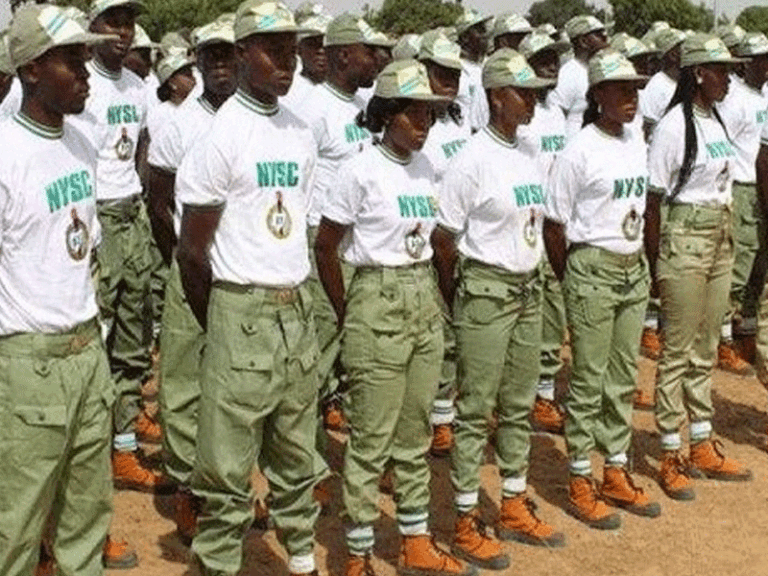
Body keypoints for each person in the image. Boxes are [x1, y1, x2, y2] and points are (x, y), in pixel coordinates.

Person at [176, 1, 322, 574]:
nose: (287, 62)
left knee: (297, 454)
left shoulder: (299, 131)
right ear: (241, 54)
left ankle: (303, 559)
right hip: (241, 308)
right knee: (227, 471)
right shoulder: (221, 137)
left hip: (295, 309)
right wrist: (226, 318)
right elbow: (192, 252)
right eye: (272, 50)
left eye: (291, 50)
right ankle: (217, 565)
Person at [315, 59, 474, 576]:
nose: (423, 124)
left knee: (415, 433)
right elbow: (326, 246)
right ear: (386, 115)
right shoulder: (359, 170)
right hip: (375, 297)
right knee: (370, 438)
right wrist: (351, 311)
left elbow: (432, 239)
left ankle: (415, 539)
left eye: (429, 114)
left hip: (421, 296)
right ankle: (358, 552)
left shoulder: (427, 169)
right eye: (413, 114)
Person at [431, 49, 563, 569]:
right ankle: (465, 518)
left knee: (518, 403)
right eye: (521, 93)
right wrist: (460, 298)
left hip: (528, 289)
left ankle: (512, 500)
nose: (531, 101)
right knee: (474, 408)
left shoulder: (528, 150)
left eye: (533, 93)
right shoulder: (471, 160)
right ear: (494, 97)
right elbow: (444, 240)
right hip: (486, 291)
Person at [0, 5, 115, 575]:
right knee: (16, 526)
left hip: (86, 352)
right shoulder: (5, 154)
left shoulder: (82, 144)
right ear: (31, 70)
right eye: (72, 59)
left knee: (86, 518)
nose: (86, 71)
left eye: (85, 57)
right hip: (27, 364)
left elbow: (81, 249)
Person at [544, 48, 661, 530]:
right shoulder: (579, 150)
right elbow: (554, 225)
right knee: (588, 379)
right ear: (597, 95)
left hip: (632, 267)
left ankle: (614, 468)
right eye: (621, 90)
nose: (632, 98)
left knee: (623, 375)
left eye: (635, 89)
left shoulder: (635, 138)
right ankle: (579, 475)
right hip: (592, 266)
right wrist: (573, 278)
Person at [645, 33, 753, 502]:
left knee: (706, 345)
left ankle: (702, 440)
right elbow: (653, 201)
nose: (729, 77)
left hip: (720, 235)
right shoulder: (674, 127)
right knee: (678, 349)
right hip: (685, 239)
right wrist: (656, 264)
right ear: (698, 74)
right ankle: (671, 450)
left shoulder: (717, 118)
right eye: (720, 70)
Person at [146, 17, 238, 545]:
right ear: (197, 63)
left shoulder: (255, 121)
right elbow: (158, 201)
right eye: (212, 56)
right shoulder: (180, 125)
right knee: (182, 381)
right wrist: (181, 259)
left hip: (240, 270)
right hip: (191, 266)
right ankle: (187, 488)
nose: (221, 65)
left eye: (229, 55)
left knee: (233, 384)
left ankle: (227, 487)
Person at [67, 0, 165, 492]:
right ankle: (84, 448)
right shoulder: (78, 84)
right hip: (95, 217)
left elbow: (141, 146)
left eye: (129, 23)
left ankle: (123, 448)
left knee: (133, 336)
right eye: (113, 22)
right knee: (93, 336)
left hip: (132, 214)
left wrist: (140, 200)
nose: (123, 32)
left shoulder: (137, 85)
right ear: (94, 26)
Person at [289, 12, 379, 434]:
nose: (374, 60)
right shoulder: (312, 110)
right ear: (343, 56)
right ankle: (308, 451)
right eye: (367, 53)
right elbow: (300, 181)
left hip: (359, 241)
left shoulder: (362, 107)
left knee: (355, 342)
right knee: (323, 340)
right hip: (323, 240)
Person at [413, 29, 470, 456]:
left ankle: (446, 413)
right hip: (425, 242)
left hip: (460, 240)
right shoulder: (410, 123)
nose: (449, 81)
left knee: (456, 331)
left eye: (454, 73)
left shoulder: (460, 119)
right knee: (433, 338)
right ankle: (431, 419)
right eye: (440, 72)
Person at [517, 30, 570, 433]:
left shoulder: (556, 112)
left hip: (551, 223)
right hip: (519, 225)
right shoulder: (519, 111)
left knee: (551, 312)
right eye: (543, 59)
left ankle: (543, 395)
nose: (552, 65)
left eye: (555, 58)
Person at [716, 32, 768, 373]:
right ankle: (722, 340)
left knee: (758, 269)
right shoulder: (734, 100)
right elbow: (723, 147)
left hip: (761, 189)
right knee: (738, 266)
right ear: (746, 64)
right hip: (743, 188)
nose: (767, 65)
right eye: (761, 59)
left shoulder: (763, 95)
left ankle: (745, 334)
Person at [548, 14, 607, 141]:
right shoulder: (568, 74)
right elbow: (555, 117)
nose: (605, 37)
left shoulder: (604, 69)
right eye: (598, 34)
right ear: (583, 41)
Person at [281, 3, 331, 111]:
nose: (321, 51)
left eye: (326, 44)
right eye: (313, 44)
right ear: (298, 48)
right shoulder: (285, 92)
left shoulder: (345, 91)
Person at [639, 27, 686, 140]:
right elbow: (647, 130)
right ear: (673, 55)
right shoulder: (657, 86)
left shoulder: (686, 82)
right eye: (684, 48)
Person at [454, 7, 492, 133]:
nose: (485, 35)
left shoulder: (491, 65)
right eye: (480, 31)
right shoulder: (456, 70)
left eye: (485, 30)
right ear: (465, 37)